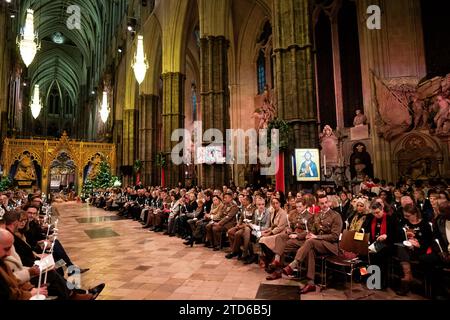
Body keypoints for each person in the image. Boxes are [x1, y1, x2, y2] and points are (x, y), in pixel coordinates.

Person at [282, 195, 343, 294]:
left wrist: (316, 237)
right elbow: (313, 231)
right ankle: (311, 282)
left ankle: (294, 264)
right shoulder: (317, 215)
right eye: (322, 203)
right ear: (319, 204)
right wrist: (309, 234)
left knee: (310, 242)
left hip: (331, 246)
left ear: (329, 203)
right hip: (317, 244)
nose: (324, 205)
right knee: (310, 248)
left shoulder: (336, 216)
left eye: (326, 203)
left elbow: (335, 236)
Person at [395, 204, 433, 296]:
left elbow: (429, 241)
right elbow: (397, 235)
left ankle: (407, 278)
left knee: (402, 249)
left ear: (415, 214)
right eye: (404, 215)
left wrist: (417, 243)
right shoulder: (404, 222)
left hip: (419, 249)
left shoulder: (424, 224)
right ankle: (407, 276)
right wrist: (406, 237)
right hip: (405, 247)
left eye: (408, 216)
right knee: (401, 247)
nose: (406, 217)